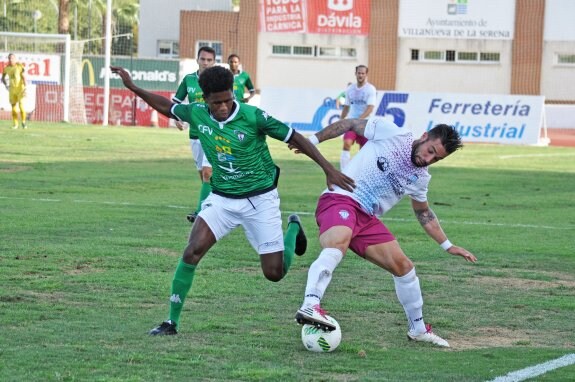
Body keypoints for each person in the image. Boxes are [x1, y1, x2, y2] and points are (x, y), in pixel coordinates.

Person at [110, 64, 356, 336]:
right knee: (192, 251)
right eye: (218, 102)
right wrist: (133, 88)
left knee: (274, 273)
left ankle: (294, 228)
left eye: (229, 99)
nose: (225, 106)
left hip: (260, 200)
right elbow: (167, 106)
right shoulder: (197, 113)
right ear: (205, 100)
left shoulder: (253, 117)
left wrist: (328, 168)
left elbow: (294, 136)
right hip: (222, 200)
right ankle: (171, 322)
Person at [293, 117, 477, 348]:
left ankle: (418, 329)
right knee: (337, 244)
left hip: (366, 218)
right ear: (424, 136)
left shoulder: (421, 177)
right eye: (430, 151)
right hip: (341, 199)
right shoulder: (394, 134)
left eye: (436, 158)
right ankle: (311, 303)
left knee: (405, 268)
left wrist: (448, 245)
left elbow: (423, 213)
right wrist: (312, 140)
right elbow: (350, 124)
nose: (428, 159)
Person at [172, 46, 216, 223]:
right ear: (197, 60)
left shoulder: (218, 80)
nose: (205, 63)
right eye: (203, 59)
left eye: (209, 60)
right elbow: (176, 102)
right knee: (203, 175)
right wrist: (176, 118)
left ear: (214, 62)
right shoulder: (189, 80)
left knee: (207, 172)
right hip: (195, 134)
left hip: (213, 134)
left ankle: (201, 212)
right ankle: (215, 203)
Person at [339, 65, 376, 170]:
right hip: (351, 123)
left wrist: (359, 120)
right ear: (355, 74)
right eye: (359, 73)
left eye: (363, 73)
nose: (360, 75)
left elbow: (370, 108)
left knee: (363, 151)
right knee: (347, 144)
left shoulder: (370, 89)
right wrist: (341, 121)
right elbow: (346, 107)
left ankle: (360, 173)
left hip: (365, 124)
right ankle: (344, 172)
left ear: (366, 75)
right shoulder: (350, 89)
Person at [2, 53, 27, 129]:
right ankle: (15, 124)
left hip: (20, 89)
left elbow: (24, 77)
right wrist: (6, 85)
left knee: (21, 105)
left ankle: (23, 122)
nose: (10, 59)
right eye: (9, 58)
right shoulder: (6, 68)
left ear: (15, 59)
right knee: (13, 106)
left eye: (12, 58)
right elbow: (2, 78)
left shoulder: (19, 66)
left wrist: (25, 87)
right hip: (12, 90)